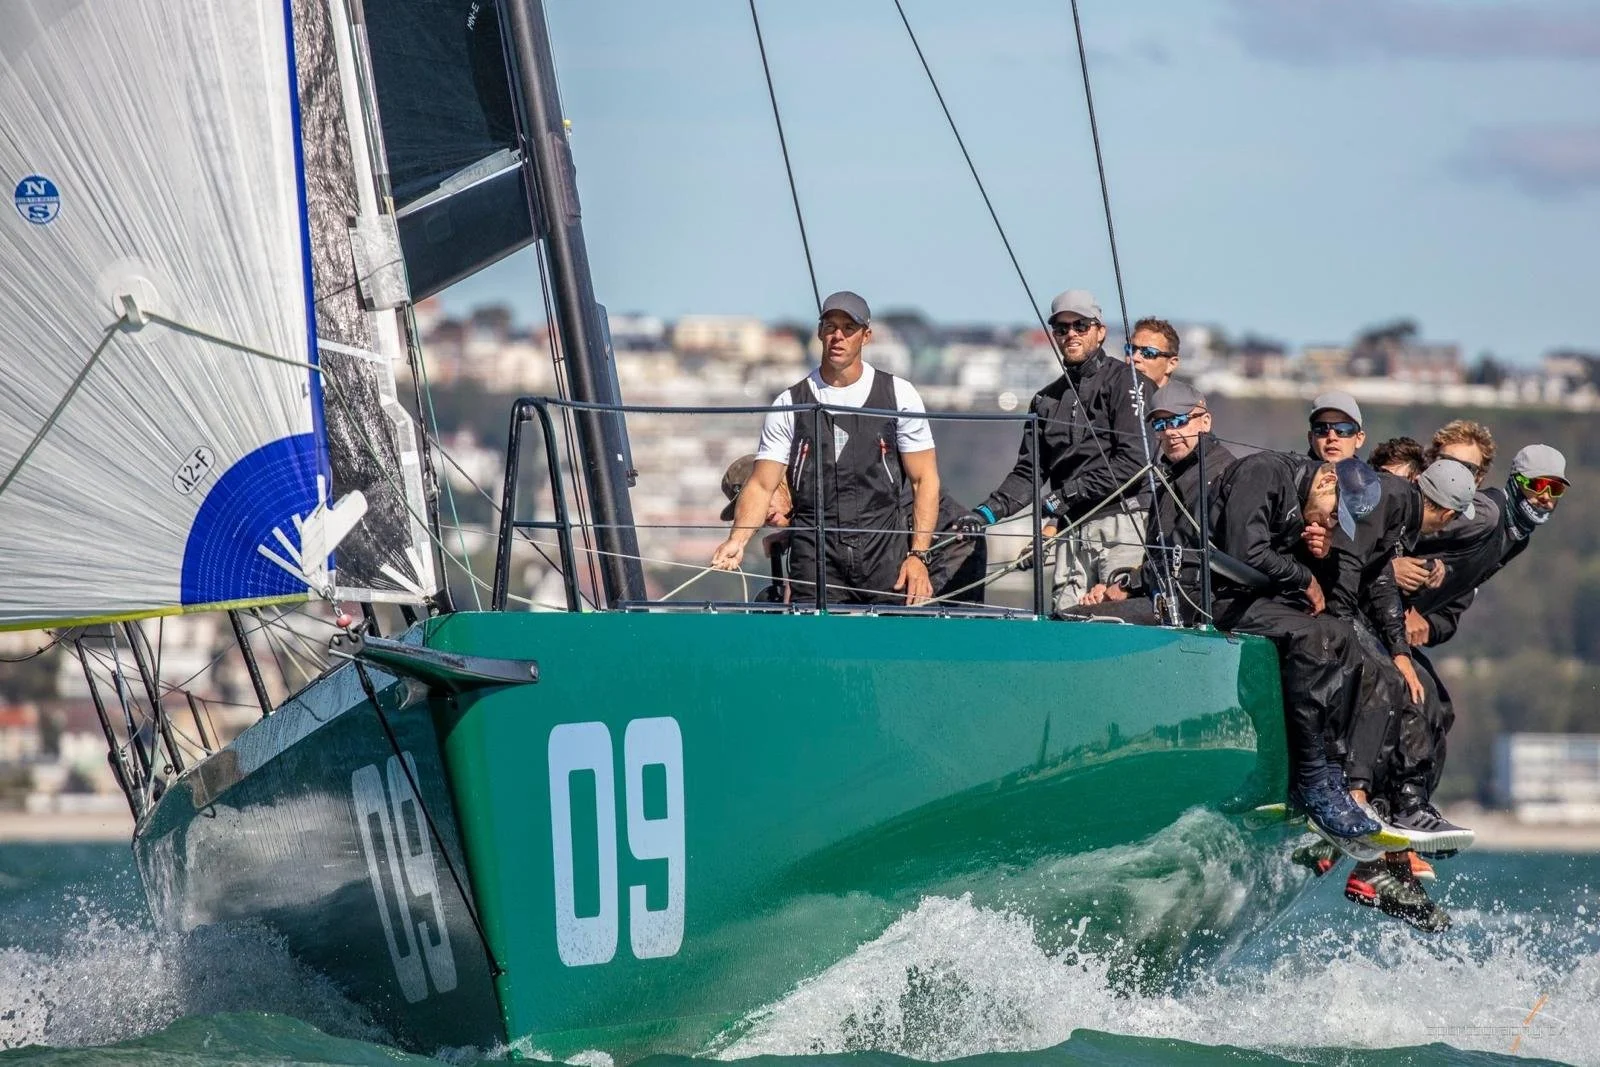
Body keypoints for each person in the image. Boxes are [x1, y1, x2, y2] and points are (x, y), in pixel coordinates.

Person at [711, 291, 940, 606]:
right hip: (816, 557)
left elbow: (924, 480)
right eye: (830, 326)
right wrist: (738, 540)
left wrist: (918, 556)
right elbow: (762, 483)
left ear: (866, 336)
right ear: (819, 332)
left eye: (849, 328)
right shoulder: (789, 403)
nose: (838, 336)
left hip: (883, 552)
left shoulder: (900, 395)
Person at [1206, 450, 1385, 843]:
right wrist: (1303, 575)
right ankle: (1310, 776)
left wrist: (1317, 554)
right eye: (1334, 516)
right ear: (1325, 483)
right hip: (1214, 594)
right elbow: (1244, 550)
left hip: (1256, 597)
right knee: (1314, 637)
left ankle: (1333, 773)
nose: (1331, 524)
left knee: (1342, 636)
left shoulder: (1306, 499)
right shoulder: (1263, 473)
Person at [957, 290, 1154, 611]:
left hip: (1122, 523)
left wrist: (1065, 496)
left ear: (1100, 331)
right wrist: (984, 514)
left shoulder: (1128, 383)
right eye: (1062, 329)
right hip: (1071, 532)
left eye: (1081, 325)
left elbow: (1134, 461)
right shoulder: (1045, 400)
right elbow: (1028, 473)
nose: (1071, 334)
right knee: (1067, 624)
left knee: (1118, 619)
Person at [716, 453, 987, 605]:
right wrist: (795, 532)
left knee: (932, 629)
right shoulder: (809, 501)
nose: (761, 515)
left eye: (760, 500)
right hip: (903, 546)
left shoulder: (822, 479)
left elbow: (849, 516)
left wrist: (798, 533)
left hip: (951, 537)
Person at [1077, 380, 1240, 625]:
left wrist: (1128, 585)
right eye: (1161, 425)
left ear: (1205, 421)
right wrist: (1116, 587)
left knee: (1076, 619)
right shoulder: (1169, 478)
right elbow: (1156, 559)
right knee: (1077, 614)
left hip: (1198, 605)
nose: (1169, 432)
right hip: (1164, 596)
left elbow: (1187, 555)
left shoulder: (1219, 473)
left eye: (1178, 421)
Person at [1126, 317, 1182, 389]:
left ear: (1171, 364)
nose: (1134, 357)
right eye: (1131, 349)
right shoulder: (1113, 396)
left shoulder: (1185, 399)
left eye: (1148, 352)